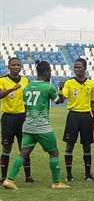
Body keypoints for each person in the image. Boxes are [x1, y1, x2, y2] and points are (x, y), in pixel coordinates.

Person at [3, 61, 69, 190]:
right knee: (54, 152)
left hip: (28, 125)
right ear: (46, 72)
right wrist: (61, 89)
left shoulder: (27, 87)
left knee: (23, 153)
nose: (50, 73)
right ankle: (56, 182)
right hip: (42, 126)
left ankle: (9, 180)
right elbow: (59, 101)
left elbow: (26, 106)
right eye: (49, 71)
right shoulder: (48, 87)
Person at [59, 58, 94, 182]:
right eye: (75, 67)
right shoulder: (69, 83)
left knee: (87, 146)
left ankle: (88, 174)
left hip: (86, 116)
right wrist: (60, 89)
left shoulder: (91, 84)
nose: (76, 69)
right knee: (69, 145)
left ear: (85, 68)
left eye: (79, 67)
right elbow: (62, 98)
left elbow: (93, 102)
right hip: (73, 116)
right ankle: (69, 175)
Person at [0, 57, 32, 183]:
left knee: (24, 147)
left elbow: (28, 97)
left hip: (22, 117)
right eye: (13, 65)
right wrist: (12, 89)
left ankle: (28, 176)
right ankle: (3, 176)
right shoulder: (2, 80)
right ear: (9, 66)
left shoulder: (25, 80)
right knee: (6, 147)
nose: (16, 67)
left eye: (18, 65)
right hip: (8, 117)